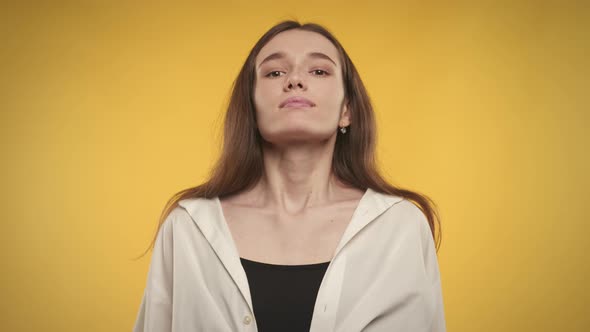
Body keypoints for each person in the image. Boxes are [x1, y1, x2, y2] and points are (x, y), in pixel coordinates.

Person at [132, 20, 446, 332]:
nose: (295, 80)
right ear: (251, 108)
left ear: (346, 109)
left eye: (319, 71)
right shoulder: (188, 229)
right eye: (275, 72)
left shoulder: (400, 228)